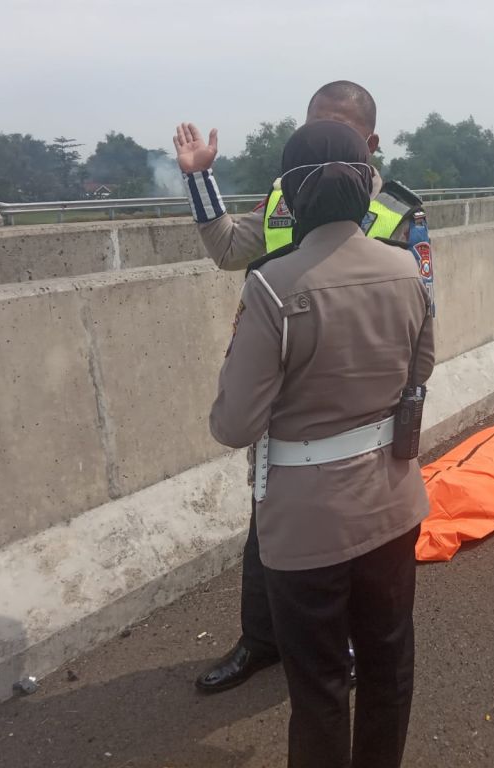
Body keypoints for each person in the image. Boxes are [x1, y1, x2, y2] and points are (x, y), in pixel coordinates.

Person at [174, 81, 434, 694]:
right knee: (268, 532)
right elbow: (230, 250)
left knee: (358, 556)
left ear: (369, 143)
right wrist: (197, 180)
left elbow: (420, 330)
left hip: (356, 415)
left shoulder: (398, 214)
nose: (320, 147)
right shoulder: (284, 199)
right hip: (285, 411)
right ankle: (262, 641)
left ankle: (334, 646)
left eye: (338, 132)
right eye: (312, 128)